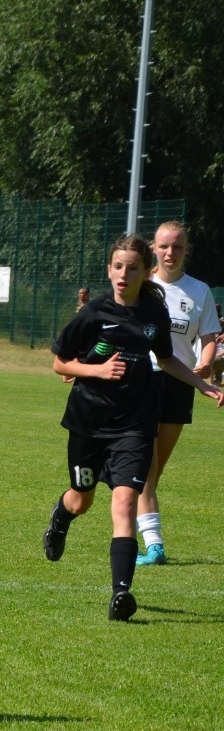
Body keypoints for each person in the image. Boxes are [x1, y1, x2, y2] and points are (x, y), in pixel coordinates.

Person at [42, 233, 222, 621]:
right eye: (118, 267)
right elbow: (59, 363)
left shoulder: (154, 315)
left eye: (133, 268)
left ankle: (121, 594)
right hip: (89, 421)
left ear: (145, 272)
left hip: (136, 424)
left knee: (124, 502)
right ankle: (61, 516)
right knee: (82, 499)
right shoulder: (94, 313)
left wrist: (202, 384)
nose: (124, 274)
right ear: (109, 270)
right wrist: (96, 370)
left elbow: (167, 359)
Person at [133, 221, 220, 566]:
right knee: (145, 467)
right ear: (153, 248)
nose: (171, 252)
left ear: (187, 250)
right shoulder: (140, 284)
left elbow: (209, 336)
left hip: (181, 383)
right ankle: (153, 545)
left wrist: (207, 363)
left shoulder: (199, 290)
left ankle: (139, 532)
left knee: (154, 472)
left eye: (178, 246)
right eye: (164, 246)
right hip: (143, 380)